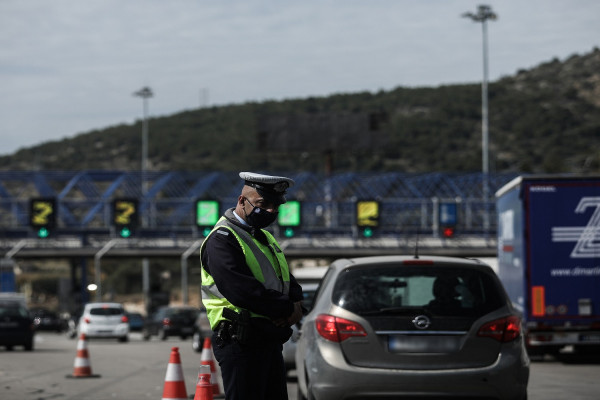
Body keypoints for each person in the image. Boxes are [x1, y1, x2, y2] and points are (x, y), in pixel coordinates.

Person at [200, 172, 304, 400]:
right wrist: (287, 310)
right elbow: (241, 291)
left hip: (269, 339)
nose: (270, 211)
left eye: (275, 206)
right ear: (241, 201)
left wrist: (296, 305)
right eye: (262, 204)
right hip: (240, 341)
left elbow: (286, 279)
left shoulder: (265, 238)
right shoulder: (222, 239)